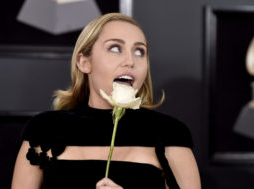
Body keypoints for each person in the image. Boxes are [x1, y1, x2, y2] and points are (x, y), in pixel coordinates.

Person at [12, 13, 201, 189]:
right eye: (115, 48)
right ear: (84, 62)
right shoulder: (44, 130)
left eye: (139, 52)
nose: (130, 61)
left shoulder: (170, 133)